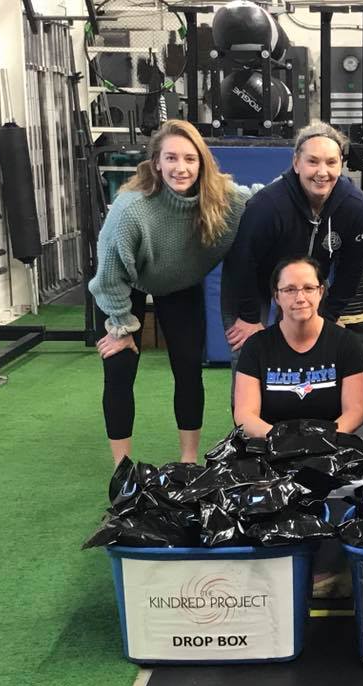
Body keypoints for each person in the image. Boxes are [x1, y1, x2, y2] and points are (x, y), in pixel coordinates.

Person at [89, 119, 252, 466]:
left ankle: (188, 460)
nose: (181, 168)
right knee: (119, 368)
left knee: (189, 368)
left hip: (179, 284)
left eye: (190, 159)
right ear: (156, 163)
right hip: (123, 286)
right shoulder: (131, 208)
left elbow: (261, 199)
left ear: (202, 162)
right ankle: (123, 469)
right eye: (172, 158)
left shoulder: (222, 199)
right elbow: (108, 273)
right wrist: (121, 326)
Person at [223, 121, 363, 353]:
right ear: (296, 163)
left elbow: (351, 271)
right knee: (250, 351)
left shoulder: (356, 208)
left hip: (308, 283)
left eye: (331, 162)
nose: (322, 172)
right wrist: (250, 318)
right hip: (254, 282)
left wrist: (330, 314)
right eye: (312, 161)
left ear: (341, 165)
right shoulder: (267, 206)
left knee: (314, 351)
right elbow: (242, 262)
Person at [234, 256, 363, 437]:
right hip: (272, 447)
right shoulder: (256, 347)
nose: (300, 298)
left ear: (320, 292)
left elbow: (355, 412)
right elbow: (245, 415)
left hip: (331, 446)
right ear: (277, 297)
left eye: (308, 288)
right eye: (289, 290)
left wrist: (321, 440)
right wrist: (283, 441)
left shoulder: (346, 343)